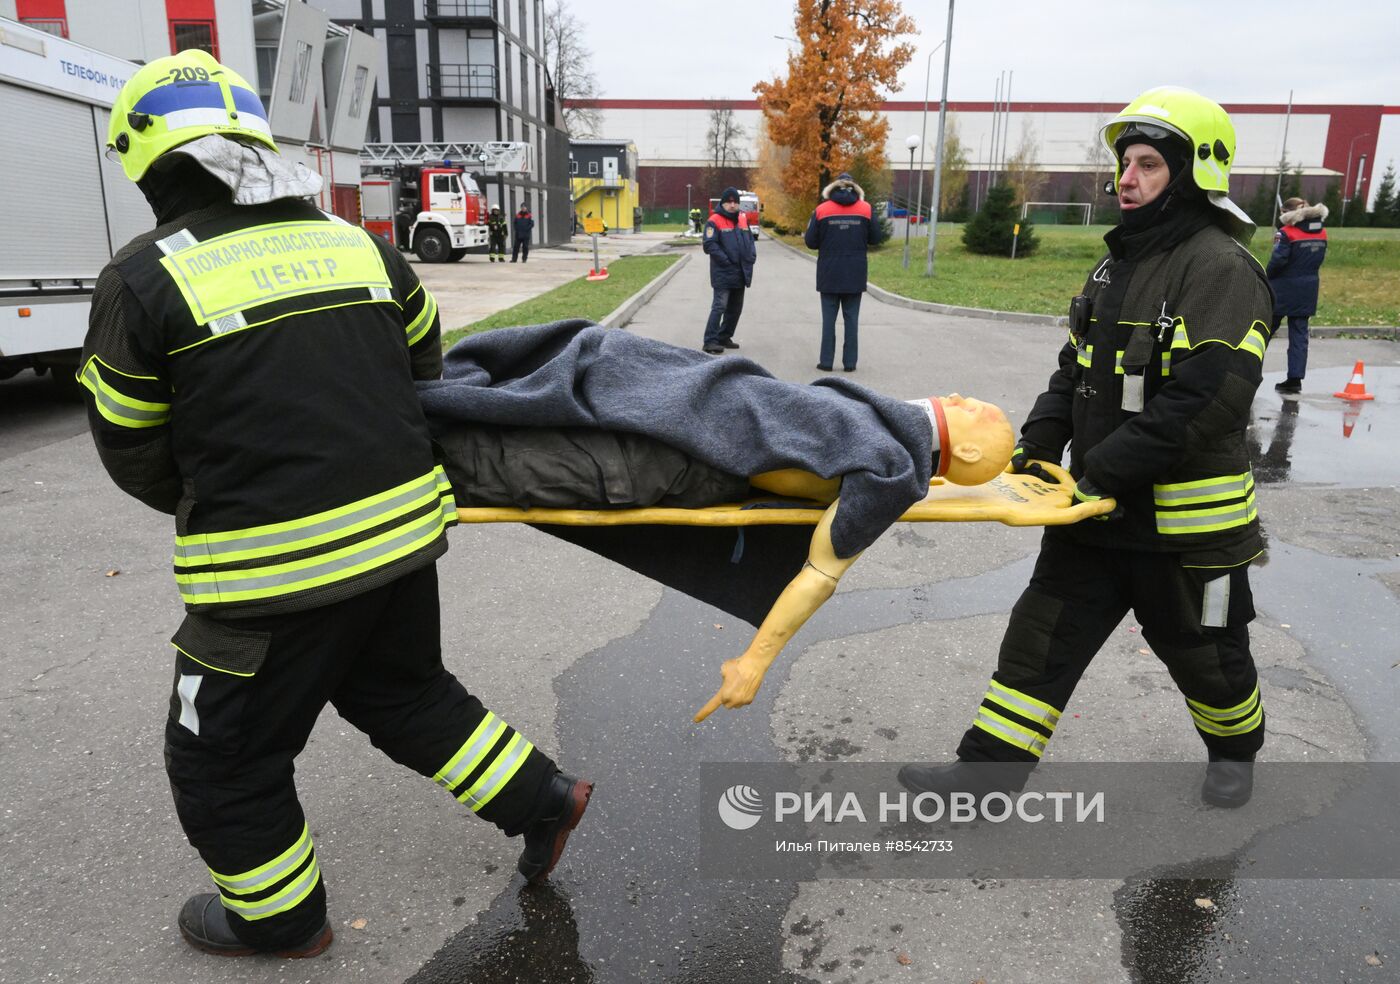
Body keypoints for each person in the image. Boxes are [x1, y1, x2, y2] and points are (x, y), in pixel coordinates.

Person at [82, 51, 591, 960]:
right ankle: (545, 799)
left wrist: (216, 487)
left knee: (222, 760)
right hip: (401, 538)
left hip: (265, 578)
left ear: (146, 158)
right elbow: (425, 367)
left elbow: (130, 444)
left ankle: (282, 923)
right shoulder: (357, 242)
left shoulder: (144, 279)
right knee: (403, 692)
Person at [898, 87, 1274, 809]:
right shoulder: (1113, 267)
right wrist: (1040, 443)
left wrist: (1098, 470)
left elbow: (1207, 401)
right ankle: (984, 780)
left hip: (1191, 536)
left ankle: (1235, 751)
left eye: (1146, 166)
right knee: (1038, 645)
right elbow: (1075, 371)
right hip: (1095, 517)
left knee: (1210, 659)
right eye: (1124, 165)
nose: (1124, 180)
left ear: (1194, 172)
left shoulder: (1222, 270)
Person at [415, 321, 1018, 721]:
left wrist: (754, 660)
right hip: (677, 393)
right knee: (558, 357)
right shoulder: (881, 422)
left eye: (975, 412)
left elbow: (822, 570)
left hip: (671, 457)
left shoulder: (892, 470)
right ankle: (418, 399)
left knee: (470, 459)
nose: (963, 396)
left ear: (962, 454)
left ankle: (386, 432)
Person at [803, 172, 885, 372]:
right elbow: (876, 238)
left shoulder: (822, 210)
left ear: (834, 187)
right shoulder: (866, 209)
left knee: (828, 321)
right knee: (852, 320)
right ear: (854, 187)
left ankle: (826, 362)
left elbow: (811, 242)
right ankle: (850, 363)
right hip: (855, 273)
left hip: (829, 273)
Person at [1267, 196, 1328, 393]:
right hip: (1308, 289)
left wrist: (1266, 277)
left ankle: (1248, 371)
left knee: (1264, 331)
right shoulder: (1322, 233)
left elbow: (1278, 261)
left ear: (1287, 213)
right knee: (1299, 336)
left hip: (1282, 290)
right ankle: (1294, 379)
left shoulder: (1286, 233)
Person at [701, 187, 756, 355]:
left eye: (735, 202)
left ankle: (724, 336)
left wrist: (751, 256)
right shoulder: (714, 220)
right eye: (729, 202)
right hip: (723, 272)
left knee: (735, 308)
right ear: (722, 204)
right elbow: (709, 245)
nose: (732, 205)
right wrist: (726, 260)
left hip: (740, 272)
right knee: (720, 306)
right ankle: (710, 341)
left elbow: (749, 240)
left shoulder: (742, 219)